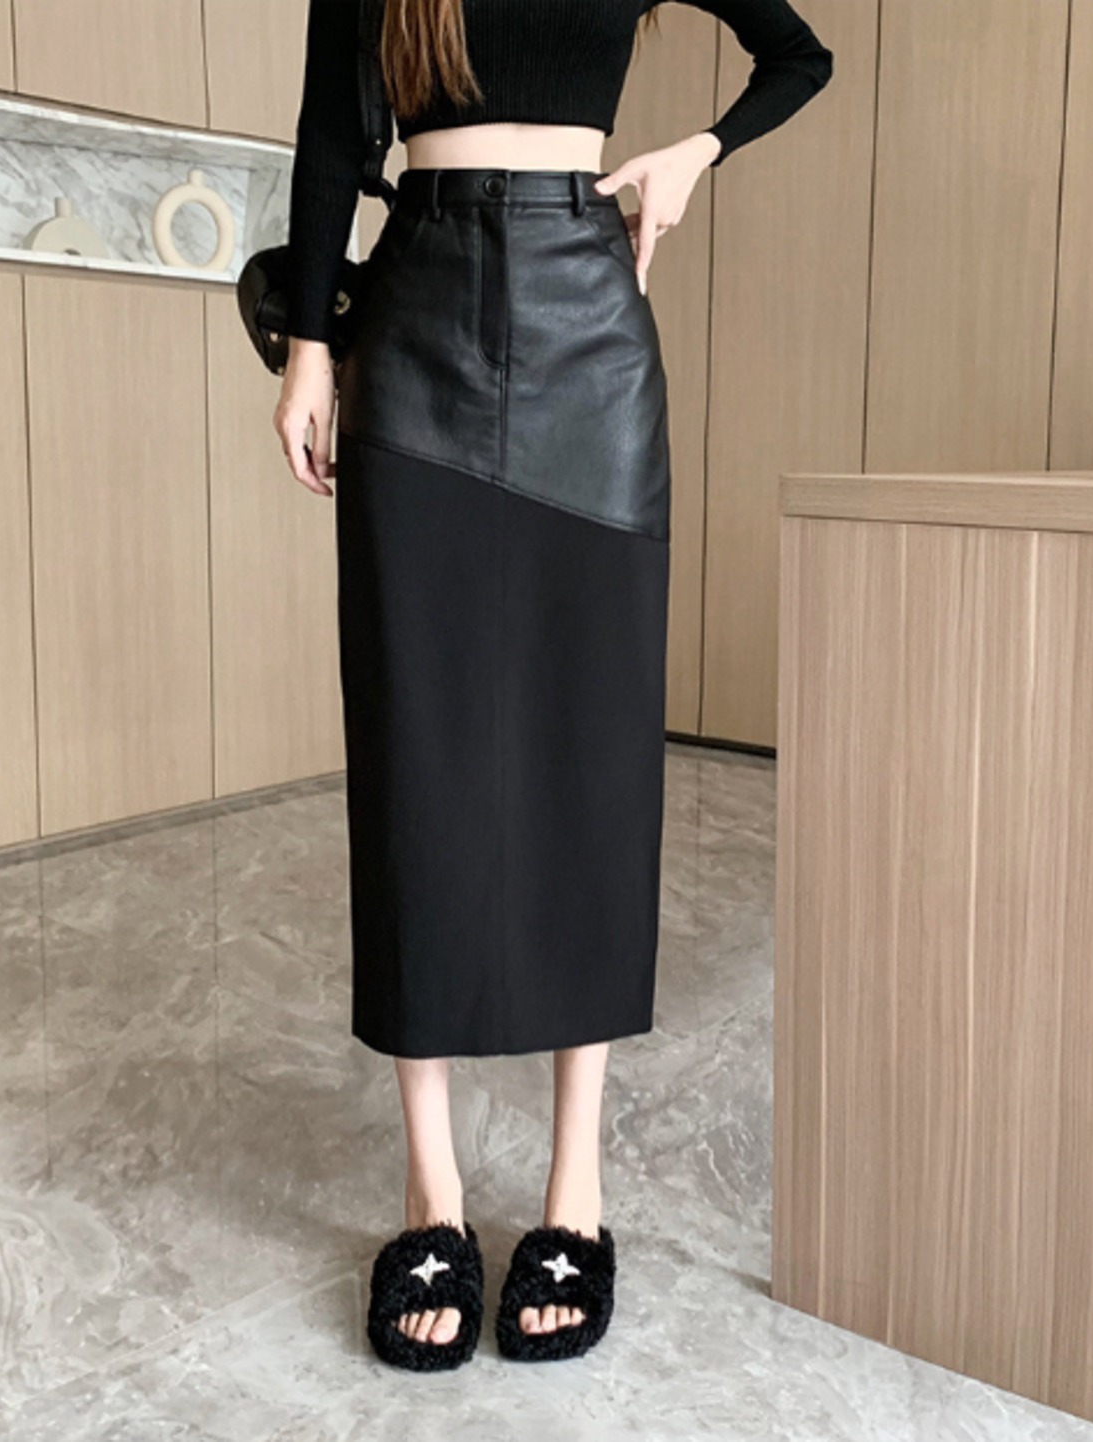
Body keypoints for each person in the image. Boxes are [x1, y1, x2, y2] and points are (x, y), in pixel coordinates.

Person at [273, 0, 832, 1369]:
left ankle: (575, 1188)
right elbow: (332, 141)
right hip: (413, 318)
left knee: (592, 756)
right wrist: (306, 348)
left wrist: (697, 150)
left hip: (591, 326)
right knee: (418, 747)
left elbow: (797, 54)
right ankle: (433, 1190)